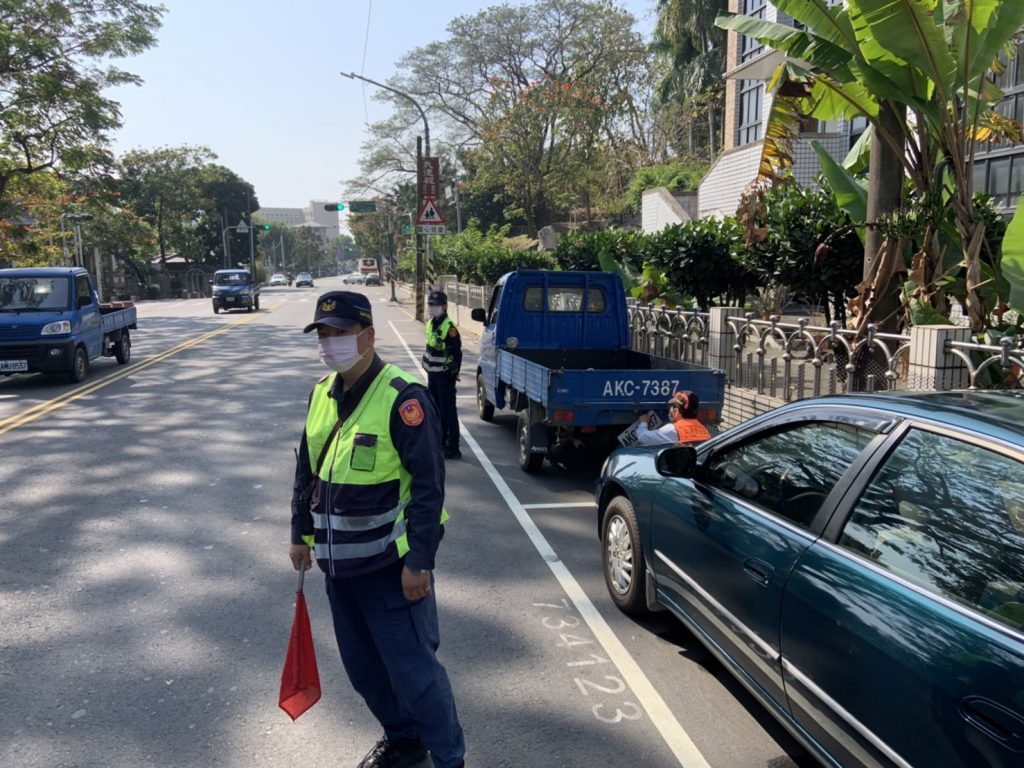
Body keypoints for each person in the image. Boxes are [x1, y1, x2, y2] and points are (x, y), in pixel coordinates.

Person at [289, 290, 465, 768]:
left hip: (391, 571)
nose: (330, 343)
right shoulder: (322, 394)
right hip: (338, 569)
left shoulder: (403, 400)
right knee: (365, 672)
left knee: (416, 677)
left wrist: (419, 562)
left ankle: (451, 759)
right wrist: (298, 533)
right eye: (323, 335)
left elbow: (430, 487)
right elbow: (307, 471)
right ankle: (404, 740)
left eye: (340, 333)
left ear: (367, 335)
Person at [421, 290, 462, 460]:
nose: (432, 308)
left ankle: (453, 446)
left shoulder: (449, 327)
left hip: (444, 376)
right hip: (433, 374)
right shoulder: (431, 323)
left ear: (444, 307)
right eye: (430, 304)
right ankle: (440, 440)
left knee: (448, 411)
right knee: (435, 409)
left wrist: (454, 370)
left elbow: (457, 353)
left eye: (436, 305)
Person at [635, 390, 712, 446]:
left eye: (671, 407)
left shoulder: (673, 430)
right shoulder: (704, 430)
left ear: (675, 411)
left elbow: (642, 437)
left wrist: (643, 422)